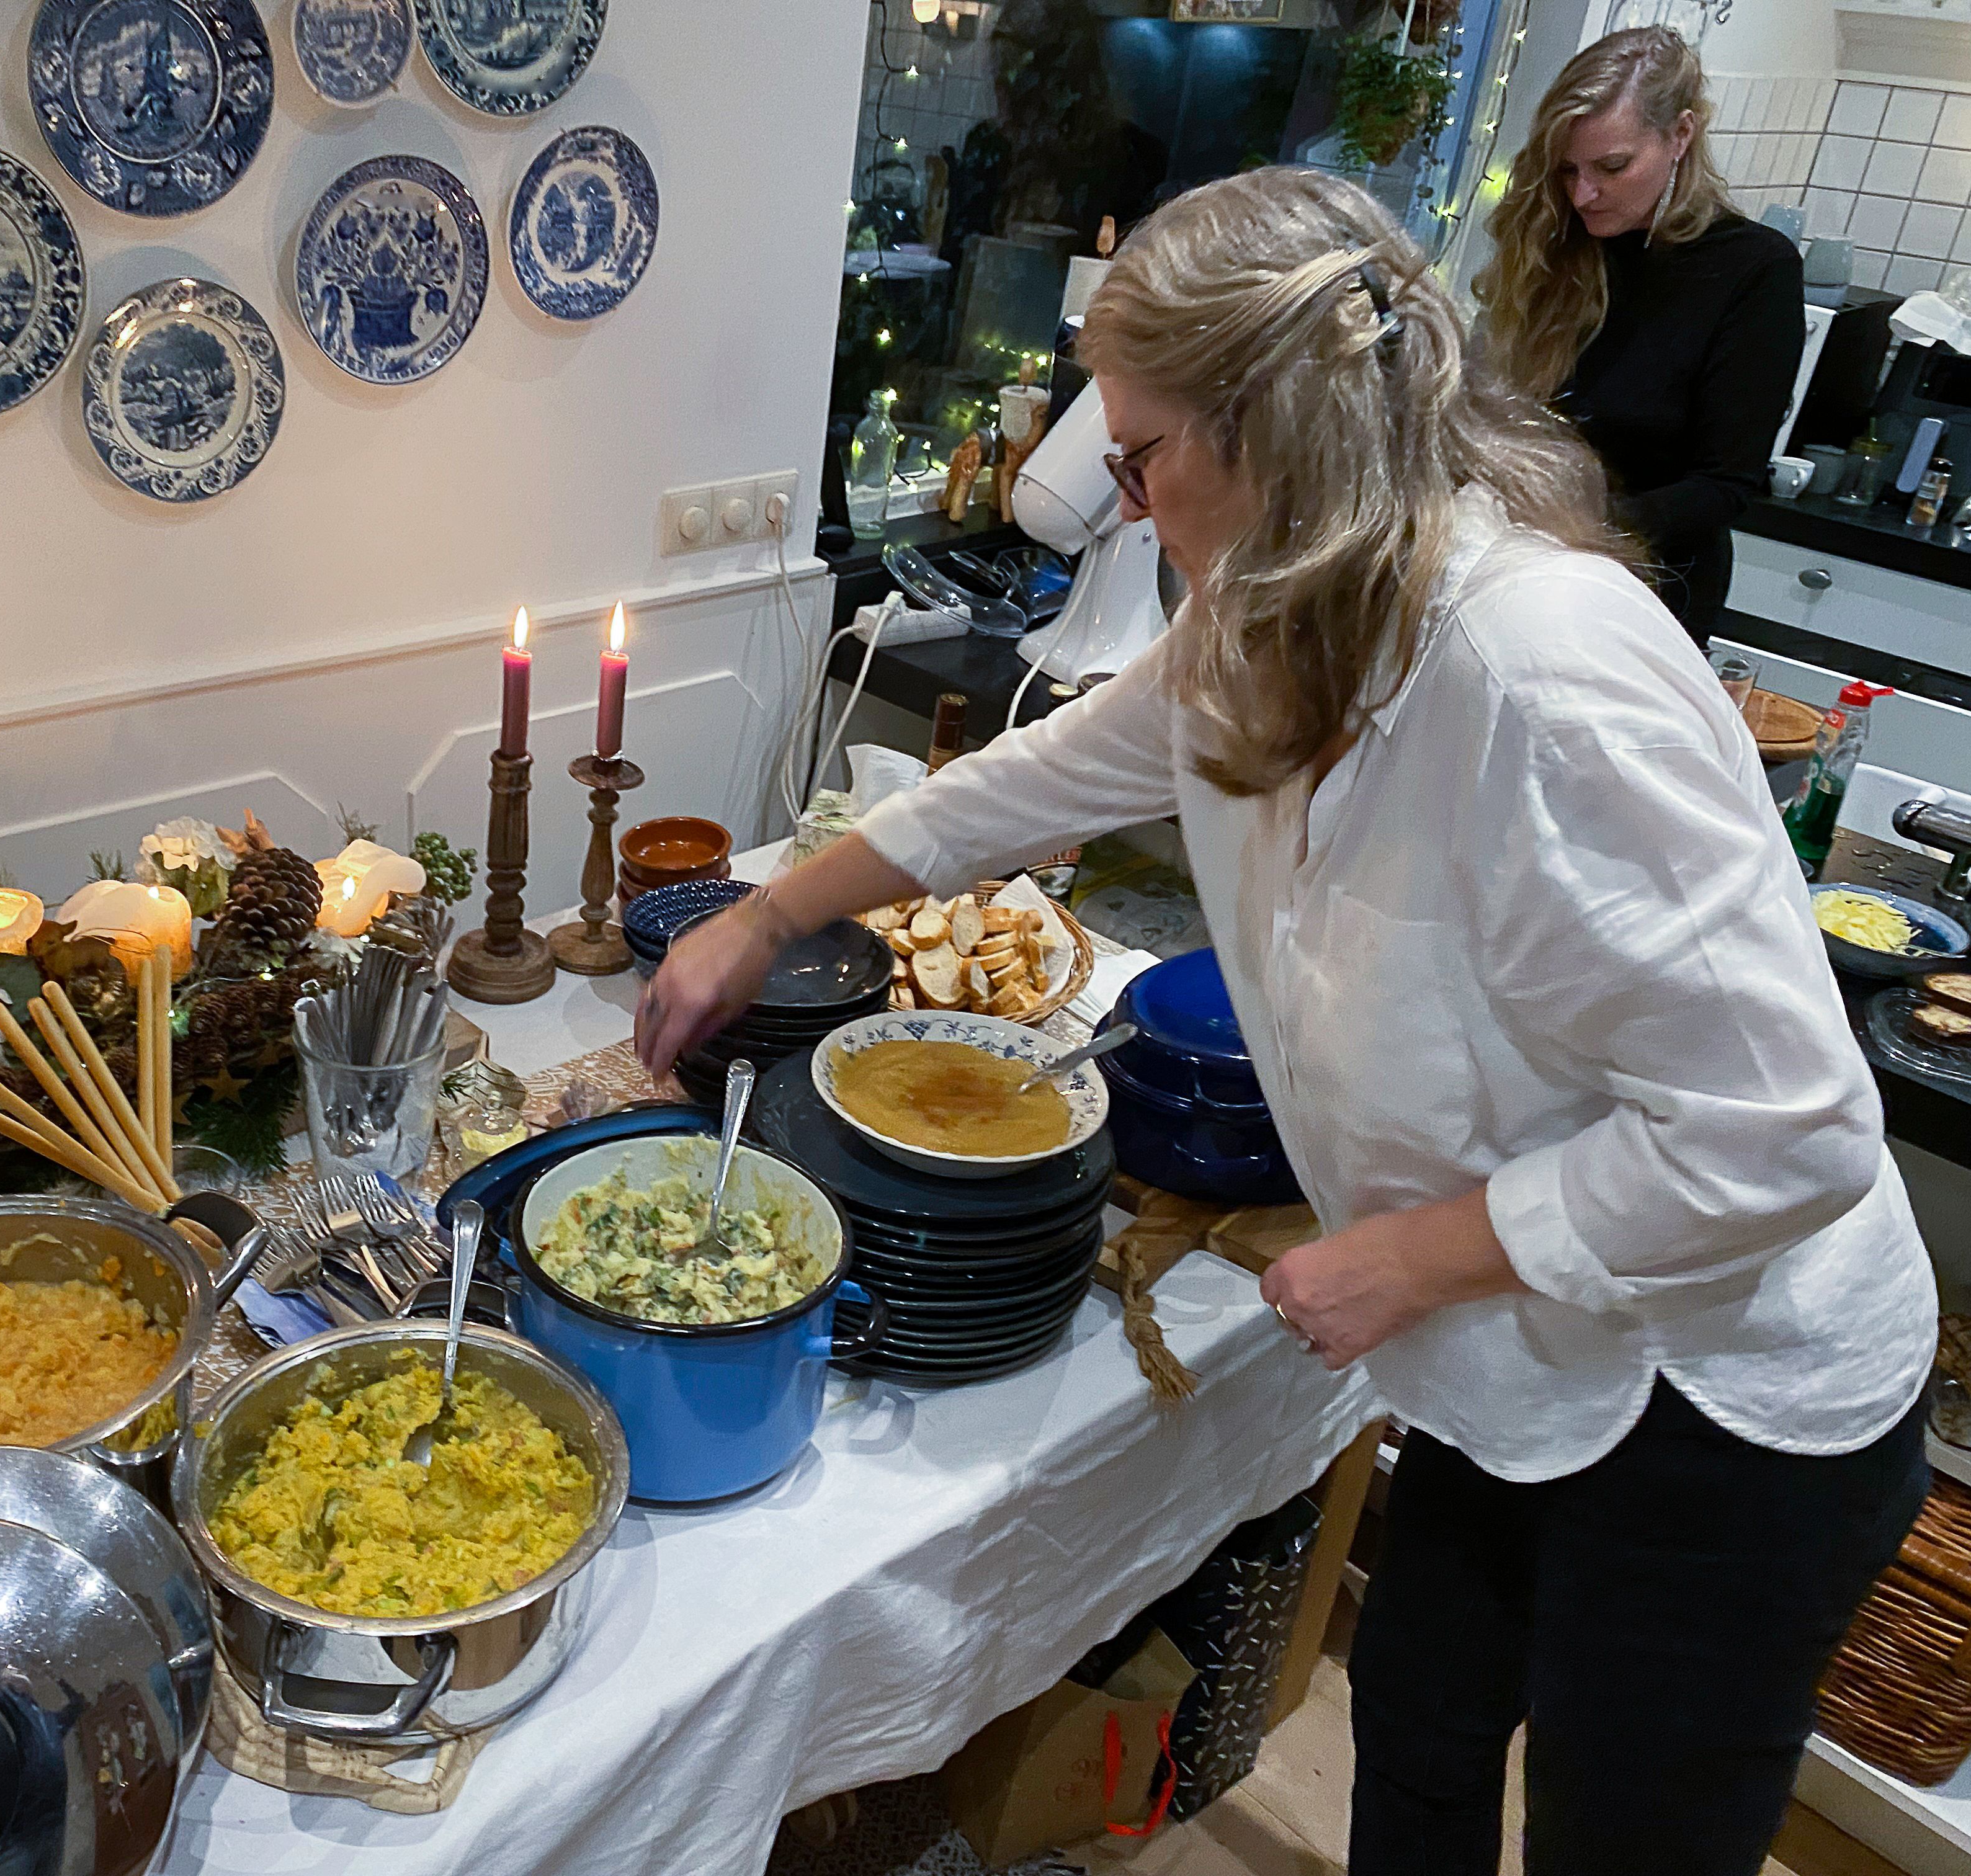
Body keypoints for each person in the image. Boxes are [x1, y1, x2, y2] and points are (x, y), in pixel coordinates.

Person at [640, 166, 1932, 1875]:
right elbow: (1052, 773)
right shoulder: (1285, 595)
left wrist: (1408, 1260)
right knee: (1415, 1733)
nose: (1124, 494)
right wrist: (769, 913)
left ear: (1282, 425)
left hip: (1723, 1402)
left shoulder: (1546, 674)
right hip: (1528, 1355)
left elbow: (1790, 1135)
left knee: (1631, 1835)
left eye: (1144, 454)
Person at [1473, 27, 1803, 647]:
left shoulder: (1753, 270)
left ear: (1681, 135)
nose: (1582, 194)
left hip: (1646, 595)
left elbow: (1723, 485)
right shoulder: (1554, 242)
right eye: (1567, 169)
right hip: (1516, 580)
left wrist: (1563, 529)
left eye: (1613, 167)